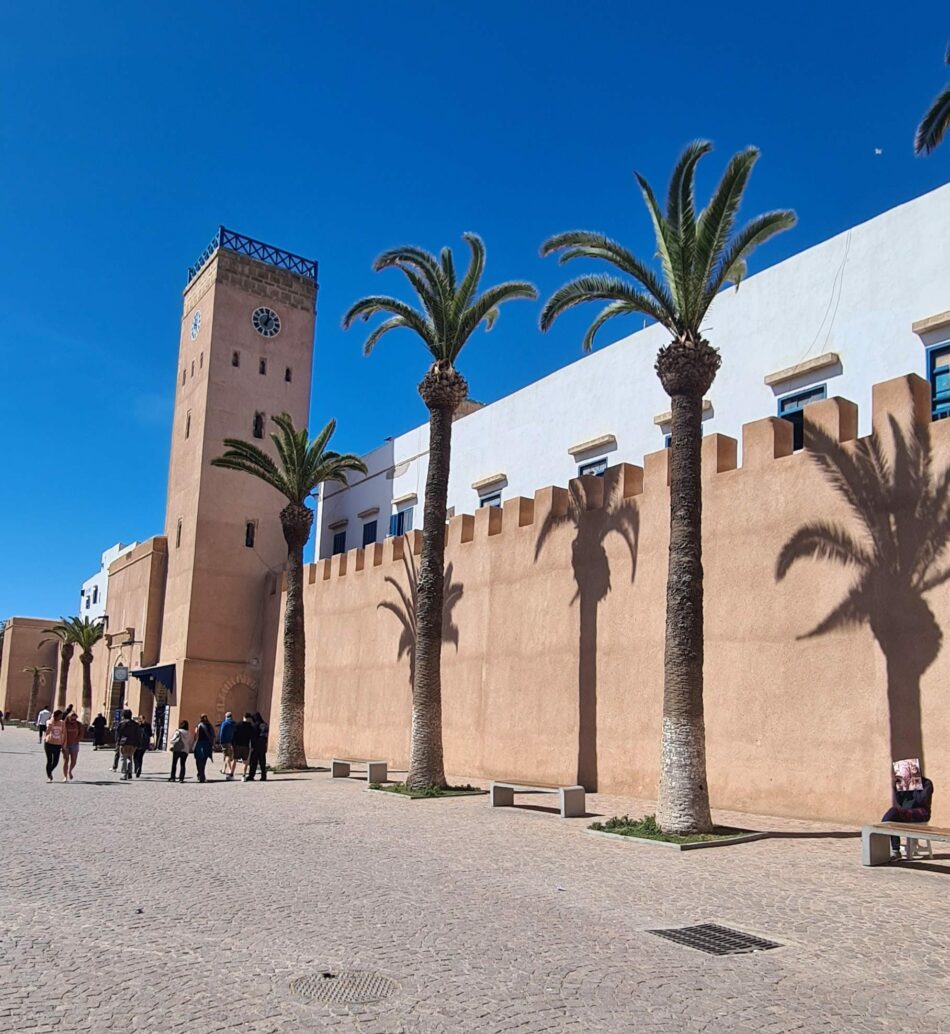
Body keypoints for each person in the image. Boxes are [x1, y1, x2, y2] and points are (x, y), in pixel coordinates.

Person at [882, 767, 934, 856]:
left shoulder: (927, 783)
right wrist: (897, 787)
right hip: (907, 812)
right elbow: (901, 802)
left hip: (922, 813)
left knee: (894, 811)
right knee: (892, 817)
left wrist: (916, 784)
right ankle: (895, 850)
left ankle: (880, 834)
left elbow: (921, 801)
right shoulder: (905, 783)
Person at [115, 709, 140, 780]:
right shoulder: (135, 724)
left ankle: (124, 774)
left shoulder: (122, 723)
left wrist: (117, 742)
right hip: (133, 743)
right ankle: (129, 772)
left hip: (124, 742)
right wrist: (137, 743)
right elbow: (138, 734)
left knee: (123, 758)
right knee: (130, 757)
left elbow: (118, 734)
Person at [43, 709, 66, 782]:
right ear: (55, 716)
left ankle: (49, 771)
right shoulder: (49, 721)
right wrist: (53, 720)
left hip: (58, 744)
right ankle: (49, 776)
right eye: (59, 716)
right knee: (49, 760)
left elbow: (64, 734)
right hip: (49, 743)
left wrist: (63, 744)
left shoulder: (62, 723)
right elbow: (48, 728)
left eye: (61, 716)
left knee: (55, 762)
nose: (61, 717)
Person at [246, 711, 269, 782]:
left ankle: (251, 776)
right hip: (263, 745)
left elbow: (253, 737)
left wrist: (252, 746)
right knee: (262, 762)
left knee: (254, 762)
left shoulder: (255, 726)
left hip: (256, 746)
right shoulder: (265, 725)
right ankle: (264, 776)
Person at [62, 712, 84, 781]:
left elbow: (81, 734)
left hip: (75, 744)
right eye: (72, 719)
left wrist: (77, 740)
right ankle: (65, 776)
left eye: (74, 719)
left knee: (74, 761)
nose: (73, 721)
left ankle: (70, 771)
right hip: (65, 744)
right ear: (68, 718)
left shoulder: (79, 724)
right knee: (66, 760)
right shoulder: (64, 724)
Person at [193, 714, 215, 783]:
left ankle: (201, 775)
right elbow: (213, 735)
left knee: (199, 760)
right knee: (203, 761)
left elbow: (195, 734)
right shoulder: (210, 726)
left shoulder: (199, 725)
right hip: (207, 745)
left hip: (200, 744)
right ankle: (201, 774)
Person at [231, 713, 254, 780]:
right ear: (249, 718)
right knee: (245, 761)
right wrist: (252, 746)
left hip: (237, 745)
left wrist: (233, 745)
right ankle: (243, 776)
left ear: (243, 717)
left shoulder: (237, 725)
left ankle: (231, 774)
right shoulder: (250, 727)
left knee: (235, 760)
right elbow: (251, 737)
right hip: (245, 746)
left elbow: (234, 735)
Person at [218, 711, 236, 779]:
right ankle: (224, 769)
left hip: (224, 741)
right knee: (226, 755)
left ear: (226, 717)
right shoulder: (233, 723)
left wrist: (220, 741)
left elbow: (222, 732)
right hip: (231, 741)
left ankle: (230, 769)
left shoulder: (225, 723)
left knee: (227, 755)